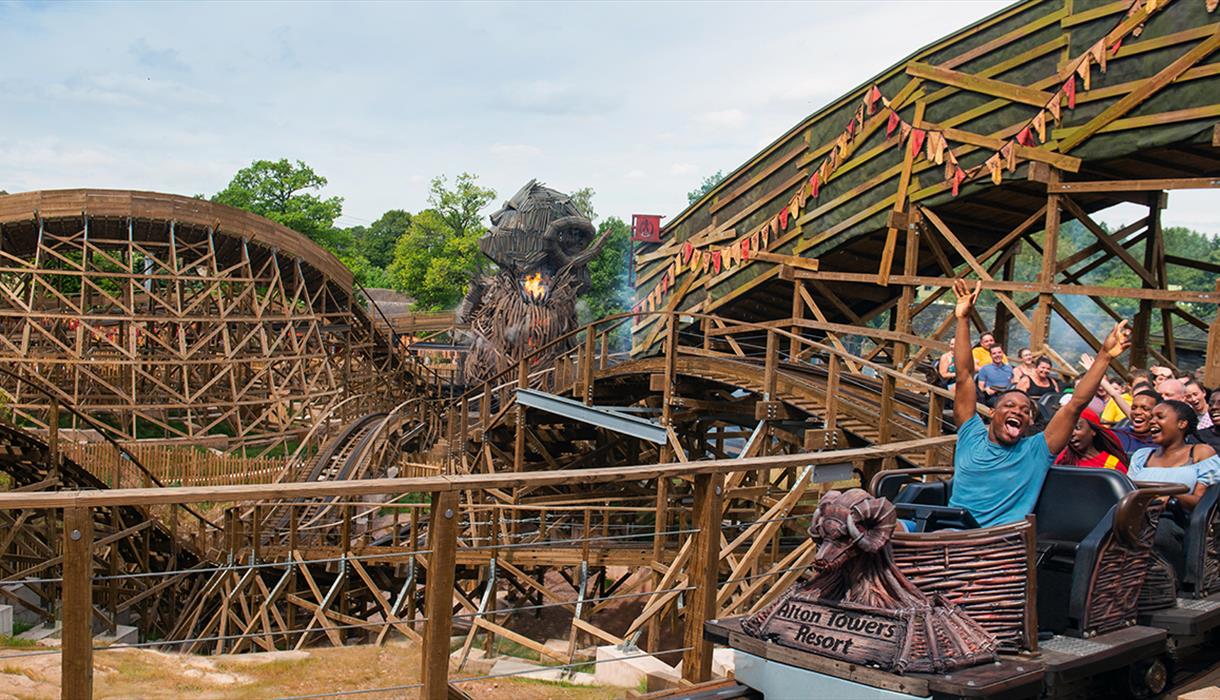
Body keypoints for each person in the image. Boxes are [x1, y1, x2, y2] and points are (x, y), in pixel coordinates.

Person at [947, 278, 1131, 528]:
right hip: (945, 530)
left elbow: (1075, 404)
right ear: (992, 412)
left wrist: (1104, 356)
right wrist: (963, 319)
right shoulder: (971, 434)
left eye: (1025, 410)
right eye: (1010, 406)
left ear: (1030, 422)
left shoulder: (1035, 450)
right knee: (884, 521)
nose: (1018, 412)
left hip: (990, 543)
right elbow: (965, 376)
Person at [1127, 400, 1220, 579]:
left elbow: (1203, 502)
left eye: (1159, 417)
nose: (1152, 421)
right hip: (1135, 516)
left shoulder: (1201, 453)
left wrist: (1170, 496)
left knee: (1156, 534)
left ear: (1181, 424)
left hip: (1177, 520)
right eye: (1152, 416)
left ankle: (1167, 580)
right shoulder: (1142, 456)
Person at [1054, 408, 1128, 473]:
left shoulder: (1112, 465)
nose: (1071, 433)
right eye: (1067, 429)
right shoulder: (1061, 460)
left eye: (1077, 428)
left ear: (1093, 431)